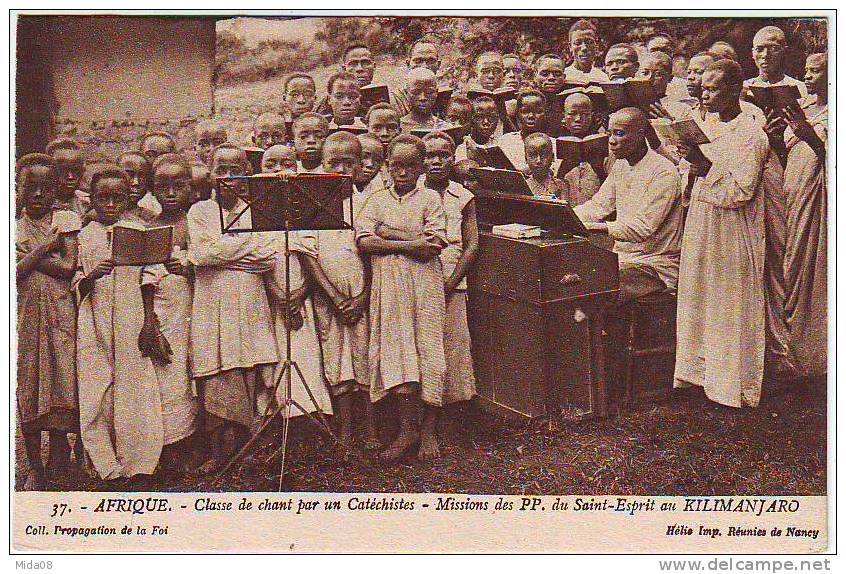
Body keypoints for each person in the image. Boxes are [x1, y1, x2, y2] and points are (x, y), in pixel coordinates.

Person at [673, 59, 770, 408]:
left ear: (734, 90)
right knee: (701, 293)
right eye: (704, 87)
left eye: (713, 89)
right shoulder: (708, 123)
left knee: (729, 300)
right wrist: (689, 161)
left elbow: (741, 191)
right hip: (702, 219)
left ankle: (731, 384)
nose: (705, 94)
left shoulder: (751, 134)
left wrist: (704, 166)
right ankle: (700, 375)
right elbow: (695, 174)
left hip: (732, 229)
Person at [573, 107, 683, 411]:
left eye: (620, 133)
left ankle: (606, 392)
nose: (612, 140)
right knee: (574, 284)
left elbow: (643, 229)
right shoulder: (621, 167)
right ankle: (586, 385)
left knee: (595, 292)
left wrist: (596, 228)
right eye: (610, 132)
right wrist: (562, 215)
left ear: (642, 134)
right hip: (622, 259)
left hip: (656, 264)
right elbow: (597, 206)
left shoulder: (664, 173)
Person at [355, 134, 448, 462]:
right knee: (397, 351)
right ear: (387, 166)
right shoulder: (376, 199)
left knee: (429, 350)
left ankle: (428, 429)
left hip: (424, 285)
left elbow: (433, 247)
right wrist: (410, 242)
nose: (403, 172)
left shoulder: (431, 199)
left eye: (411, 166)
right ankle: (407, 428)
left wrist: (391, 234)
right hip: (390, 286)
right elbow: (365, 242)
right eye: (397, 165)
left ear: (421, 167)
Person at [186, 144, 278, 472]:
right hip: (212, 303)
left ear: (246, 175)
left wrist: (219, 253)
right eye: (220, 170)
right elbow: (199, 255)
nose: (227, 177)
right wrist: (243, 249)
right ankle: (217, 452)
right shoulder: (199, 212)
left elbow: (268, 257)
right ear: (210, 174)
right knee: (216, 368)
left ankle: (247, 446)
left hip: (249, 301)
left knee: (249, 365)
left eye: (235, 170)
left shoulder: (257, 210)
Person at [74, 165, 164, 481]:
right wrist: (90, 275)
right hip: (93, 318)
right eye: (103, 198)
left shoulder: (138, 230)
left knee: (137, 387)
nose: (110, 205)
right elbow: (76, 280)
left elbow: (150, 276)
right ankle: (105, 464)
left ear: (128, 198)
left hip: (132, 316)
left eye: (117, 198)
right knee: (97, 388)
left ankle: (139, 463)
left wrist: (148, 321)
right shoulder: (86, 234)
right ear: (92, 200)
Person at [294, 132, 376, 448]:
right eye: (333, 163)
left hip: (361, 295)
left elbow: (372, 255)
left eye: (348, 163)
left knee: (364, 358)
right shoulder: (312, 205)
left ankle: (369, 430)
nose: (341, 170)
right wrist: (335, 296)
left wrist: (362, 297)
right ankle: (344, 432)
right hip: (328, 298)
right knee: (337, 361)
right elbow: (308, 254)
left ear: (360, 166)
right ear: (322, 165)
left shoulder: (368, 202)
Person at [258, 141, 334, 433]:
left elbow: (312, 253)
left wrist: (300, 294)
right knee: (274, 354)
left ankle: (308, 418)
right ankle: (277, 419)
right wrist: (277, 294)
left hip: (302, 291)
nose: (279, 172)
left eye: (287, 165)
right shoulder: (258, 207)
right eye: (271, 165)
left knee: (305, 351)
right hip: (268, 292)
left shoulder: (307, 203)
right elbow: (258, 251)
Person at [16, 154, 82, 490]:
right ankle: (34, 466)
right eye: (31, 187)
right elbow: (13, 272)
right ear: (19, 188)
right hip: (26, 318)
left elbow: (67, 267)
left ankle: (59, 455)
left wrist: (29, 256)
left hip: (60, 311)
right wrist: (45, 247)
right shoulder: (12, 224)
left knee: (60, 378)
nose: (38, 195)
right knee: (29, 383)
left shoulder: (66, 219)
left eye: (46, 188)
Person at [140, 154, 201, 473]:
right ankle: (171, 445)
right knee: (170, 377)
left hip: (198, 306)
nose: (172, 193)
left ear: (192, 188)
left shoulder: (200, 222)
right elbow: (147, 281)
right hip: (168, 311)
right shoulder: (151, 226)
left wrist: (190, 267)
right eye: (163, 186)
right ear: (152, 189)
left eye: (179, 186)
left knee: (196, 371)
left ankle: (197, 441)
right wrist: (150, 321)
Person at [421, 132, 479, 443]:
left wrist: (451, 282)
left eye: (443, 155)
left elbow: (471, 245)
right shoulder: (412, 191)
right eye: (429, 155)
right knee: (426, 349)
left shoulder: (462, 196)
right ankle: (423, 422)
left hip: (453, 279)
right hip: (419, 277)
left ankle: (450, 420)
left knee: (455, 348)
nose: (436, 161)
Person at [780, 53, 828, 379]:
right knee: (787, 257)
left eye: (817, 71)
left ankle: (810, 352)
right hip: (793, 187)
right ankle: (785, 347)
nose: (808, 76)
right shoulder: (805, 107)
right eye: (807, 70)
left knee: (810, 261)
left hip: (820, 194)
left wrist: (808, 132)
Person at [557, 93, 606, 206]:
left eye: (585, 114)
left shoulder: (603, 144)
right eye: (572, 114)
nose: (578, 119)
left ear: (592, 116)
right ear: (563, 116)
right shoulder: (555, 143)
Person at [743, 26, 807, 98]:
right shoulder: (743, 88)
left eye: (773, 49)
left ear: (785, 52)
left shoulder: (801, 89)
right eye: (759, 49)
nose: (765, 55)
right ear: (753, 53)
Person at [498, 89, 548, 174]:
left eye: (538, 111)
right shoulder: (505, 141)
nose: (531, 116)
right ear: (518, 113)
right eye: (525, 111)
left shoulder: (554, 144)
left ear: (545, 113)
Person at [46, 138, 89, 217]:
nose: (70, 177)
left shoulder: (89, 205)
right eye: (62, 170)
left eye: (76, 170)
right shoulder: (37, 207)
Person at [399, 67, 452, 132]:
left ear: (436, 92)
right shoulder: (398, 127)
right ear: (406, 93)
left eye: (429, 92)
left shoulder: (445, 128)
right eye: (416, 93)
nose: (423, 98)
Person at [455, 96, 501, 162]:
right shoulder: (462, 147)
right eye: (479, 117)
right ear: (471, 120)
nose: (486, 122)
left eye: (491, 117)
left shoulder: (500, 145)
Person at [524, 132, 567, 200]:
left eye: (543, 155)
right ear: (526, 158)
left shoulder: (561, 186)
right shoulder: (522, 186)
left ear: (552, 157)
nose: (538, 160)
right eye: (533, 155)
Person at [118, 151, 159, 222]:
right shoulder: (98, 216)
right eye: (129, 175)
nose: (136, 183)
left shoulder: (152, 218)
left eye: (142, 177)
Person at [533, 53, 568, 137]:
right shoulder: (526, 101)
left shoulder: (569, 102)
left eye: (557, 74)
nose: (551, 78)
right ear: (535, 76)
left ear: (564, 77)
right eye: (545, 74)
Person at [646, 33, 688, 101]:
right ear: (647, 53)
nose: (660, 54)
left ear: (672, 53)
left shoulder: (684, 86)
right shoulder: (635, 83)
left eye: (664, 50)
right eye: (654, 50)